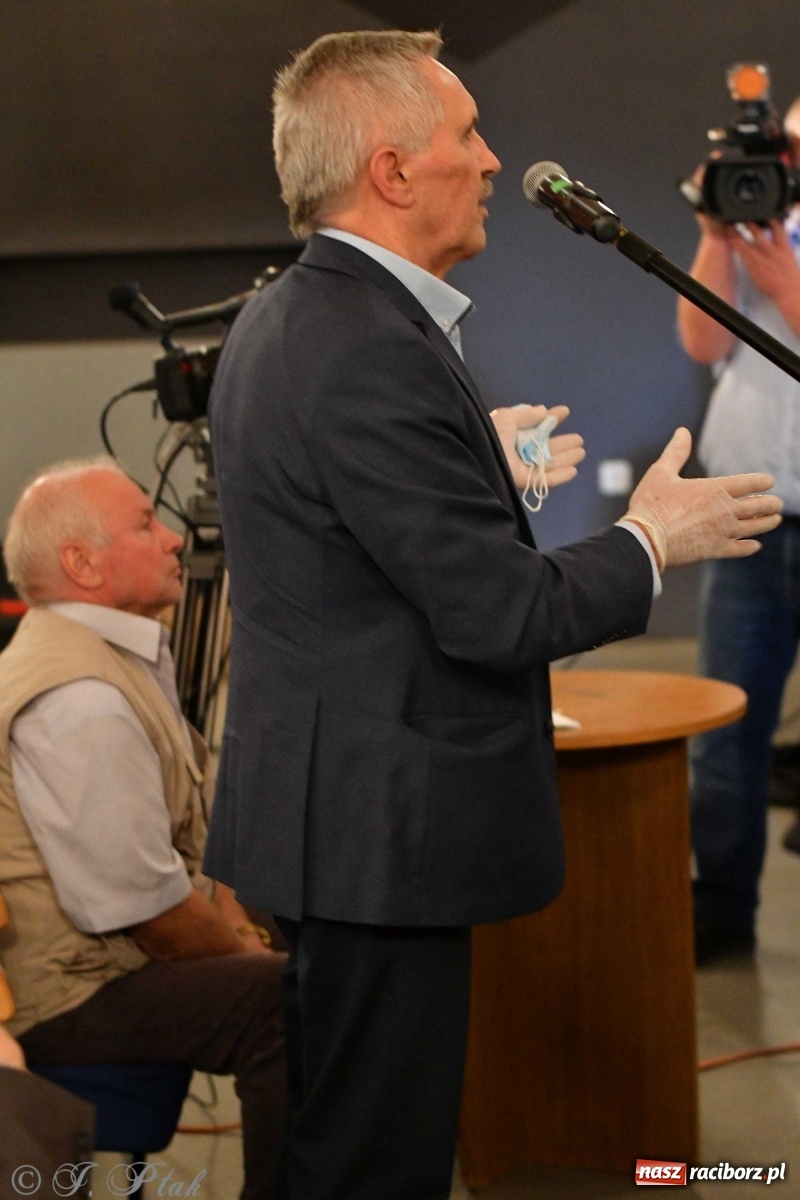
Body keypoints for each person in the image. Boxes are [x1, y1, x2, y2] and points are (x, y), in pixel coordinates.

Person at [204, 29, 782, 1199]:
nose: (490, 159)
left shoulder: (299, 314)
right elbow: (498, 614)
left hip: (337, 822)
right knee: (376, 1163)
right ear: (391, 170)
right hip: (376, 836)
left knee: (339, 1141)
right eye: (466, 135)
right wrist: (649, 537)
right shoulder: (367, 343)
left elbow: (349, 546)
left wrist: (479, 461)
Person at [0, 459, 286, 1200]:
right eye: (144, 524)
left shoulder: (98, 653)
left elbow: (182, 841)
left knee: (311, 936)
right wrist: (241, 947)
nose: (173, 539)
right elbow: (147, 914)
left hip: (95, 963)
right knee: (288, 1000)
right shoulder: (79, 698)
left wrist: (239, 919)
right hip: (63, 997)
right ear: (83, 564)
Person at [677, 97, 800, 964]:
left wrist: (786, 281)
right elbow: (700, 340)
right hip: (751, 517)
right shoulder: (756, 222)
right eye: (787, 143)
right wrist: (717, 234)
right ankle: (720, 914)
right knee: (724, 733)